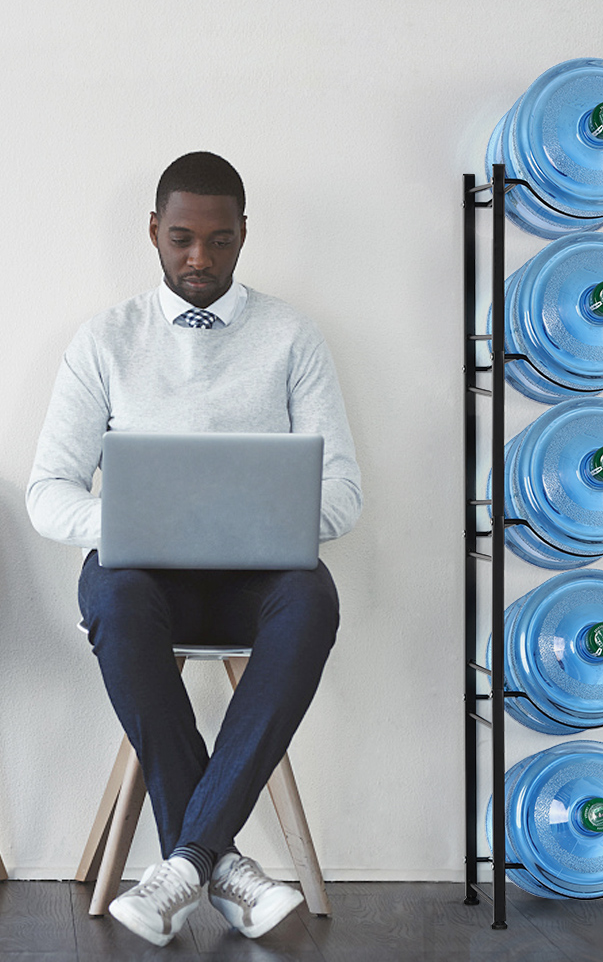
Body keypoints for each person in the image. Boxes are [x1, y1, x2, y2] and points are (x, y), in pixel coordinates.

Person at [26, 152, 362, 947]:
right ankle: (221, 863)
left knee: (313, 596)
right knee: (113, 590)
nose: (199, 259)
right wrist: (137, 521)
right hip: (148, 582)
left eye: (219, 240)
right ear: (153, 232)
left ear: (245, 234)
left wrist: (257, 522)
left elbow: (344, 494)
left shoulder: (291, 337)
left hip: (257, 582)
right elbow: (50, 492)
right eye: (181, 238)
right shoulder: (105, 339)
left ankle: (182, 862)